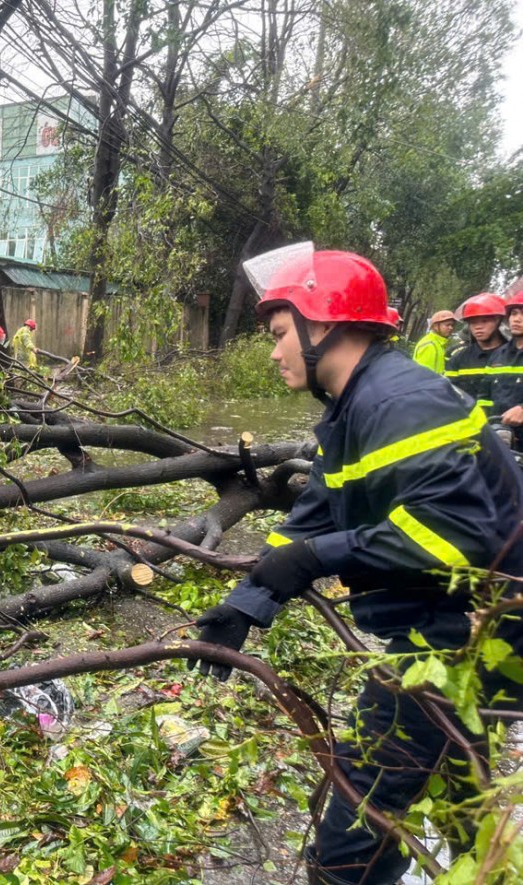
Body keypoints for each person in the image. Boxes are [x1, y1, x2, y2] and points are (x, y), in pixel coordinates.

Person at [187, 244, 523, 885]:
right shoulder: (353, 408)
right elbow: (313, 515)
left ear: (326, 327)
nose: (274, 350)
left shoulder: (398, 402)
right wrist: (246, 604)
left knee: (355, 829)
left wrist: (320, 557)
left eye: (281, 333)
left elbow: (456, 540)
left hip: (463, 635)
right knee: (464, 801)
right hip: (459, 629)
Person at [445, 293, 507, 412]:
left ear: (499, 321)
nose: (478, 327)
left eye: (484, 321)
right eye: (473, 322)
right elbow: (448, 395)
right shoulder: (459, 359)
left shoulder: (515, 356)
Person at [489, 291, 523, 449]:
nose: (517, 319)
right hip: (500, 438)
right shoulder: (498, 355)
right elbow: (485, 393)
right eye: (514, 313)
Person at [411, 308, 457, 373]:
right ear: (435, 326)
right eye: (447, 325)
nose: (451, 328)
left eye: (452, 325)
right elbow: (424, 374)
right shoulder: (429, 345)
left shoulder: (439, 343)